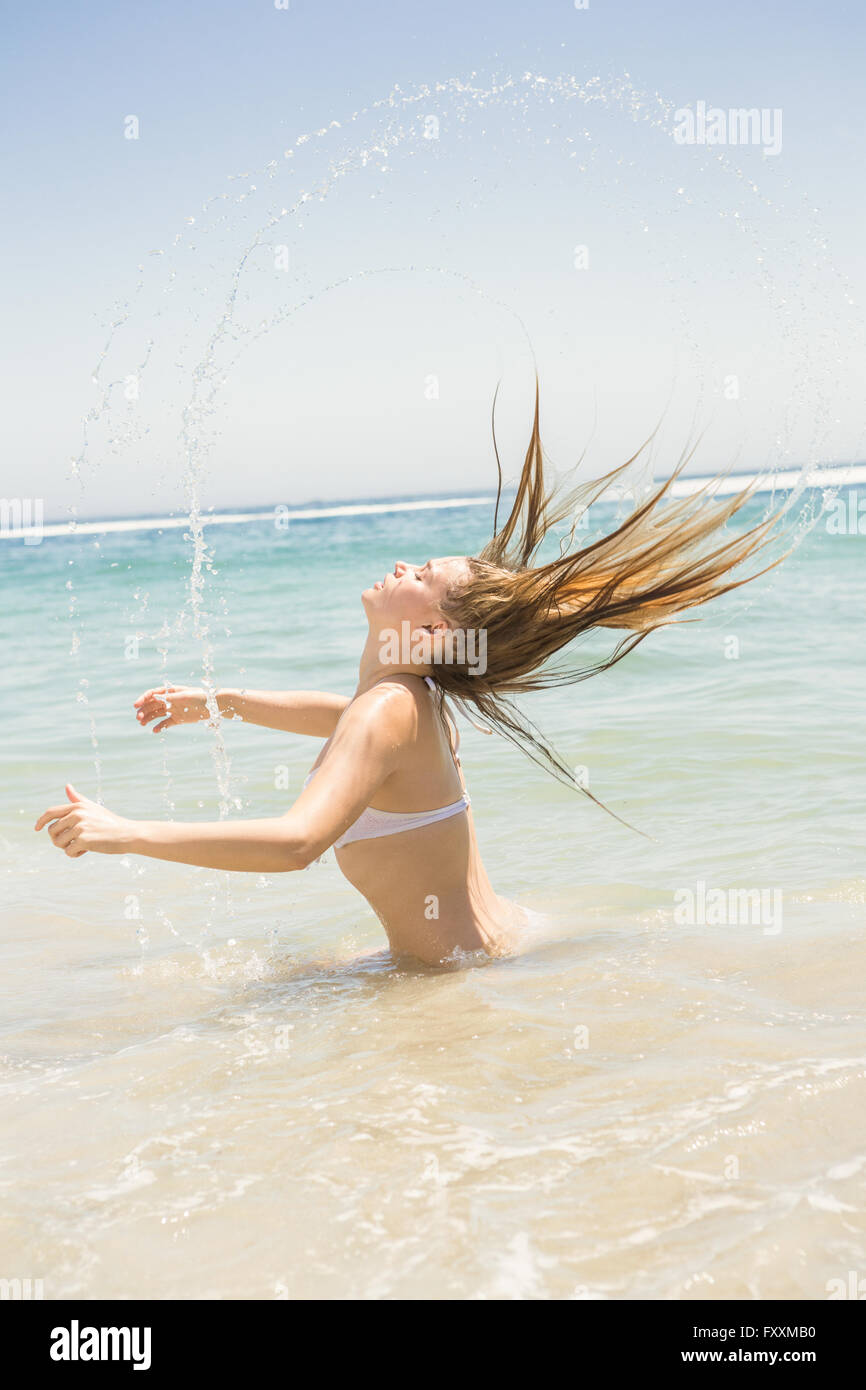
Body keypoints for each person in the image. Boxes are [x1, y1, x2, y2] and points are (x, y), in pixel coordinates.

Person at [35, 383, 784, 966]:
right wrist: (223, 700)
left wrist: (124, 832)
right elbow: (341, 718)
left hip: (467, 974)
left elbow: (298, 843)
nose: (402, 564)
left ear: (433, 632)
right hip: (492, 949)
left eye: (422, 571)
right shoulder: (409, 703)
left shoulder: (392, 710)